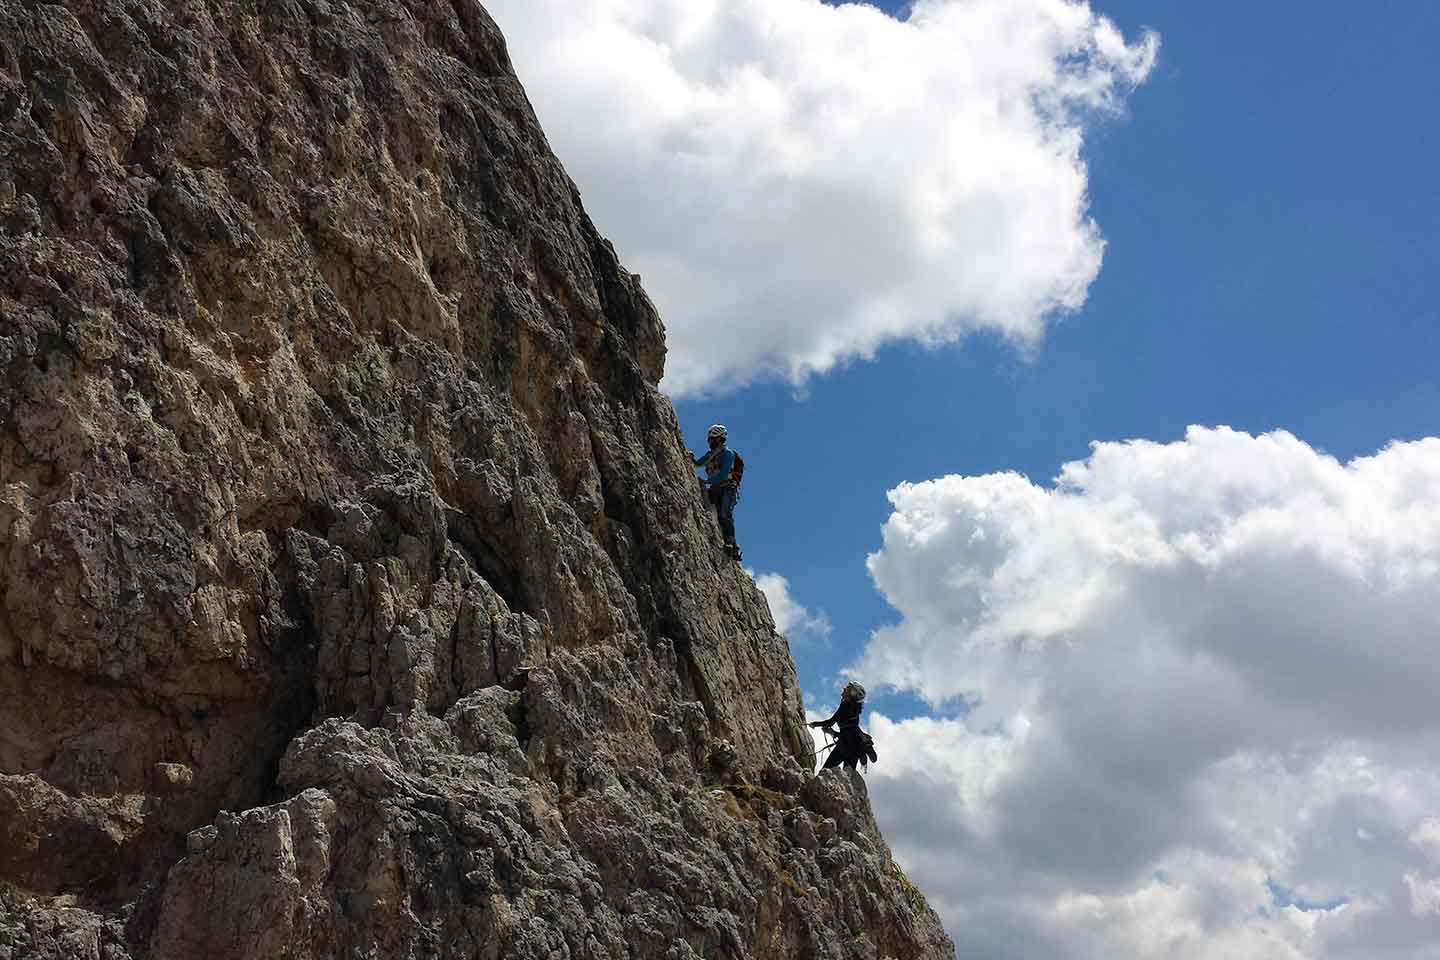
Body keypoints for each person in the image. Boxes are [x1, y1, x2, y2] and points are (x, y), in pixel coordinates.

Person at [692, 423, 742, 560]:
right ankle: (728, 542)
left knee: (725, 514)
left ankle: (731, 544)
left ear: (720, 439)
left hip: (727, 488)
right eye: (710, 440)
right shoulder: (710, 455)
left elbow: (724, 473)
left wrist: (708, 481)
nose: (711, 442)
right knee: (716, 515)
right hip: (715, 488)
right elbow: (697, 464)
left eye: (713, 439)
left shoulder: (728, 454)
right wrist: (690, 457)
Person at [809, 681, 877, 771]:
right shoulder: (855, 708)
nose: (844, 688)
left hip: (843, 746)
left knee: (825, 771)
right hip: (854, 749)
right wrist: (832, 732)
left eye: (848, 688)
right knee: (847, 775)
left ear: (853, 693)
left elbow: (830, 722)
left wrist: (815, 724)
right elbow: (849, 732)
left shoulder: (846, 705)